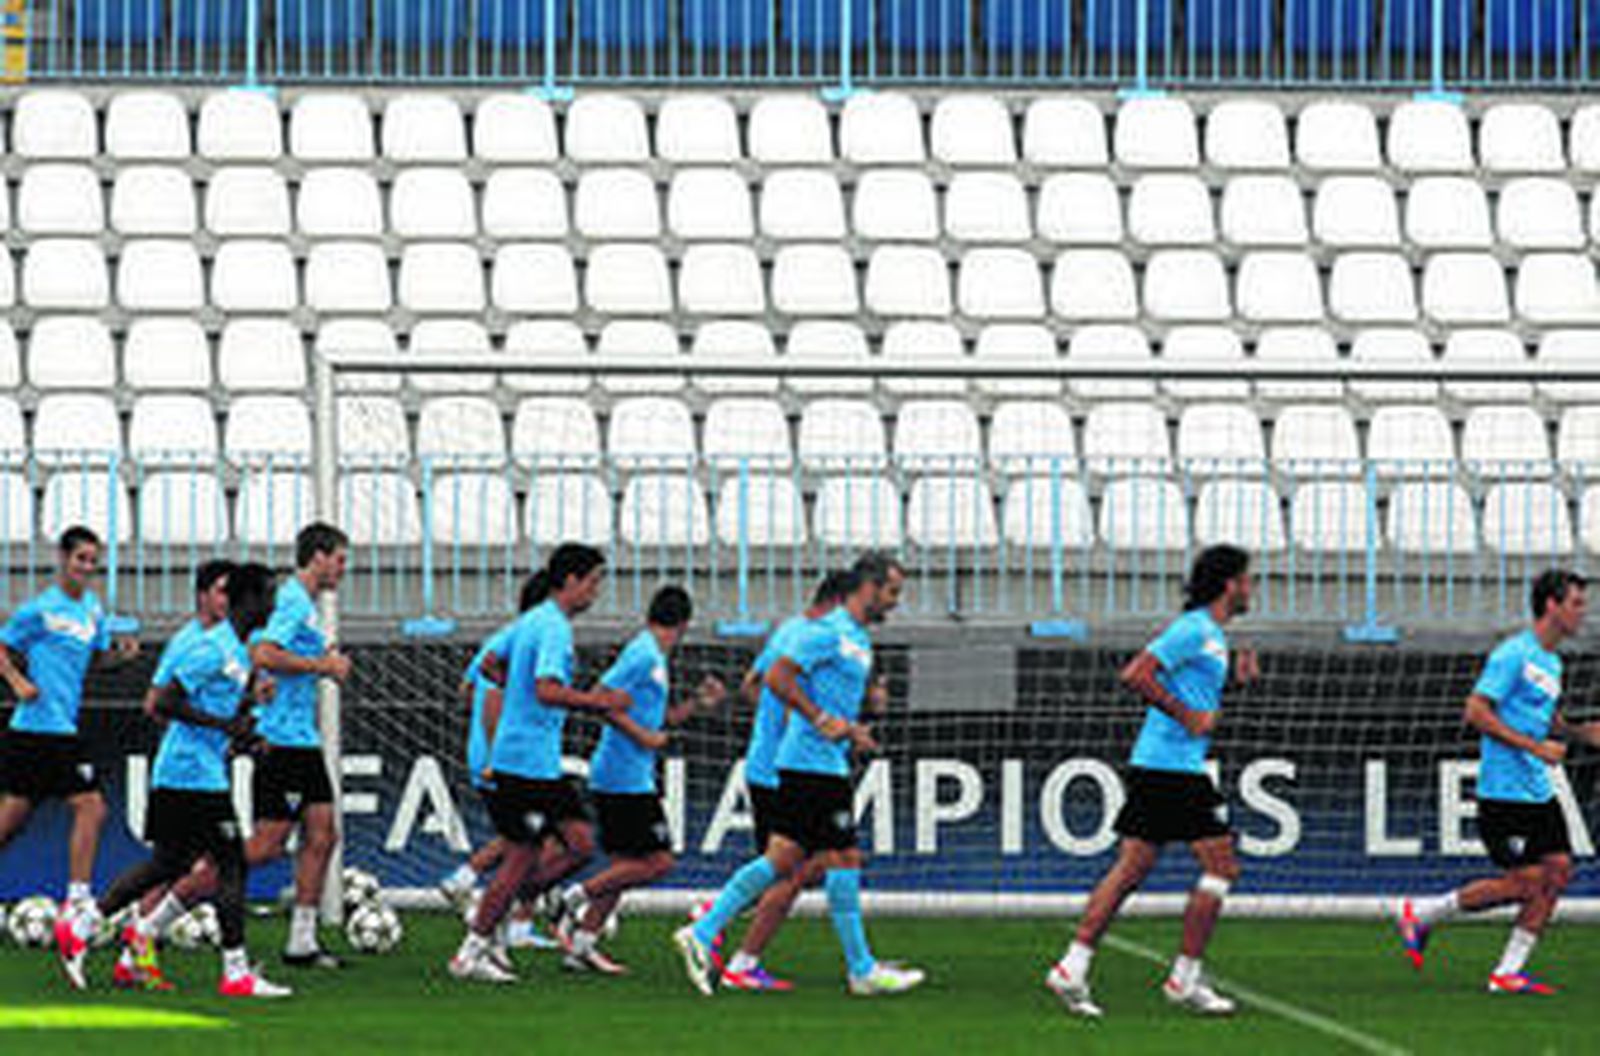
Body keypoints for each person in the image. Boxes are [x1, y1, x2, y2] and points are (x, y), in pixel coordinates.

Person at [673, 552, 924, 998]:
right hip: (810, 764)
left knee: (783, 861)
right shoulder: (826, 632)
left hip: (819, 761)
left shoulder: (857, 639)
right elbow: (775, 678)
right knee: (843, 859)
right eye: (891, 592)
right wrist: (818, 716)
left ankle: (705, 928)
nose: (894, 602)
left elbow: (824, 699)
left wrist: (850, 731)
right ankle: (861, 970)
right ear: (866, 587)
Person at [56, 563, 291, 998]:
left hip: (194, 771)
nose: (274, 604)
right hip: (189, 775)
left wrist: (245, 737)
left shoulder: (238, 650)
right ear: (250, 600)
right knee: (231, 864)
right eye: (269, 595)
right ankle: (235, 972)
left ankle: (84, 926)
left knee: (169, 865)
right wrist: (227, 728)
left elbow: (215, 713)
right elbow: (164, 703)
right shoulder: (210, 648)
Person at [1046, 544, 1258, 1020]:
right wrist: (1187, 716)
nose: (1251, 589)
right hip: (1172, 768)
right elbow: (1137, 673)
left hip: (1160, 764)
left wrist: (1235, 684)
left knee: (1130, 870)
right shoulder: (1193, 629)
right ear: (1230, 584)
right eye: (1247, 580)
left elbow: (1197, 693)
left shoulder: (1212, 636)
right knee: (1221, 868)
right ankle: (1184, 977)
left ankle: (1072, 965)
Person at [1395, 569, 1600, 995]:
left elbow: (1544, 717)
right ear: (1551, 605)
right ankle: (1423, 914)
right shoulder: (1513, 655)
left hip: (1537, 790)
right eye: (1576, 603)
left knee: (1559, 872)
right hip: (1504, 792)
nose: (1584, 612)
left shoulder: (1551, 661)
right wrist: (1535, 747)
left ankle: (1508, 972)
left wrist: (1579, 733)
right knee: (1527, 882)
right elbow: (1476, 711)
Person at [448, 543, 629, 984]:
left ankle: (503, 907)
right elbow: (547, 690)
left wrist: (516, 690)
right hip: (521, 761)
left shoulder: (531, 622)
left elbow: (490, 665)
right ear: (570, 580)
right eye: (594, 580)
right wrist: (596, 701)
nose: (596, 591)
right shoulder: (552, 628)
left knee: (581, 844)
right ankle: (472, 949)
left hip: (540, 763)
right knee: (521, 857)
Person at [555, 585, 726, 974]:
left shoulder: (653, 657)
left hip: (626, 772)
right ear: (684, 623)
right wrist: (641, 737)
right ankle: (573, 896)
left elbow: (657, 720)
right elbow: (600, 696)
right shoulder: (643, 653)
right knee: (658, 862)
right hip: (623, 776)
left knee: (625, 866)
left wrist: (697, 705)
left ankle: (581, 946)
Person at [716, 569, 854, 993]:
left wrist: (784, 715)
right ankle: (721, 925)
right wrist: (801, 718)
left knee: (808, 865)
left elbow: (751, 685)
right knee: (801, 869)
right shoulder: (811, 634)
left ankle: (729, 934)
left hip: (774, 765)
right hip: (782, 770)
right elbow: (766, 685)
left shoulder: (791, 629)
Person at [0, 526, 139, 919]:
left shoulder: (92, 610)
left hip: (63, 728)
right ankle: (78, 901)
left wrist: (120, 658)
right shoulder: (39, 609)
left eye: (93, 561)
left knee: (83, 809)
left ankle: (77, 899)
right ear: (63, 559)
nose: (87, 567)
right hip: (33, 728)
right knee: (24, 821)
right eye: (81, 559)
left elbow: (95, 661)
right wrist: (17, 681)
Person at [114, 558, 236, 990]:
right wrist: (200, 733)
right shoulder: (192, 643)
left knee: (185, 866)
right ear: (203, 595)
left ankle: (130, 951)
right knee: (184, 867)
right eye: (223, 591)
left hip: (203, 768)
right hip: (187, 772)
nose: (229, 599)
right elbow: (154, 703)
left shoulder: (223, 641)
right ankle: (123, 941)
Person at [242, 522, 353, 968]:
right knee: (267, 846)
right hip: (282, 740)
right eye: (340, 559)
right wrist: (322, 665)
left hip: (301, 739)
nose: (343, 570)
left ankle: (302, 940)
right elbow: (263, 653)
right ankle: (168, 898)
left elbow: (255, 648)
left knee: (324, 834)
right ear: (319, 556)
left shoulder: (300, 604)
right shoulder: (291, 599)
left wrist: (319, 663)